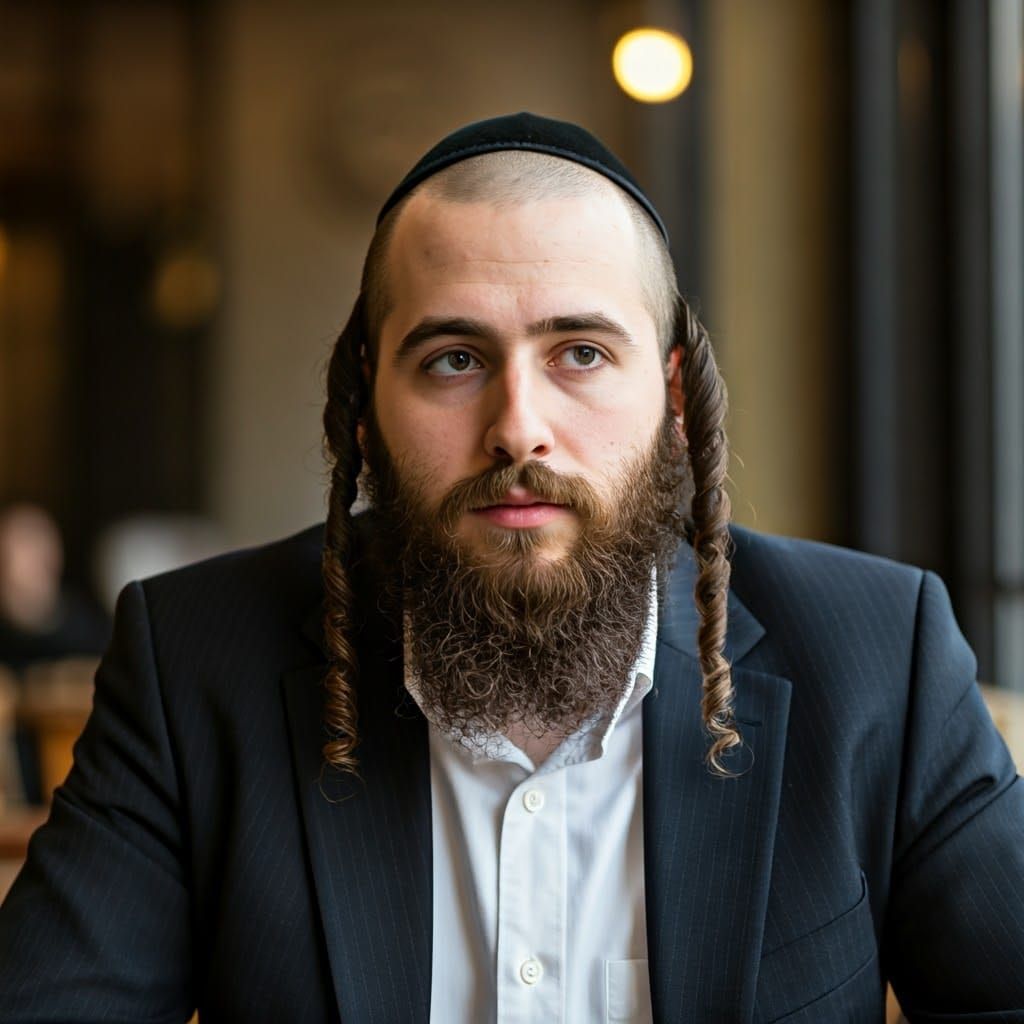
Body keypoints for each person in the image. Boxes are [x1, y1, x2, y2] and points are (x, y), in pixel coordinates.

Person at [1, 112, 1022, 1023]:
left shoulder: (878, 656)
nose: (517, 428)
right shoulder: (192, 664)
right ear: (365, 405)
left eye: (580, 352)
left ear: (673, 397)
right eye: (454, 358)